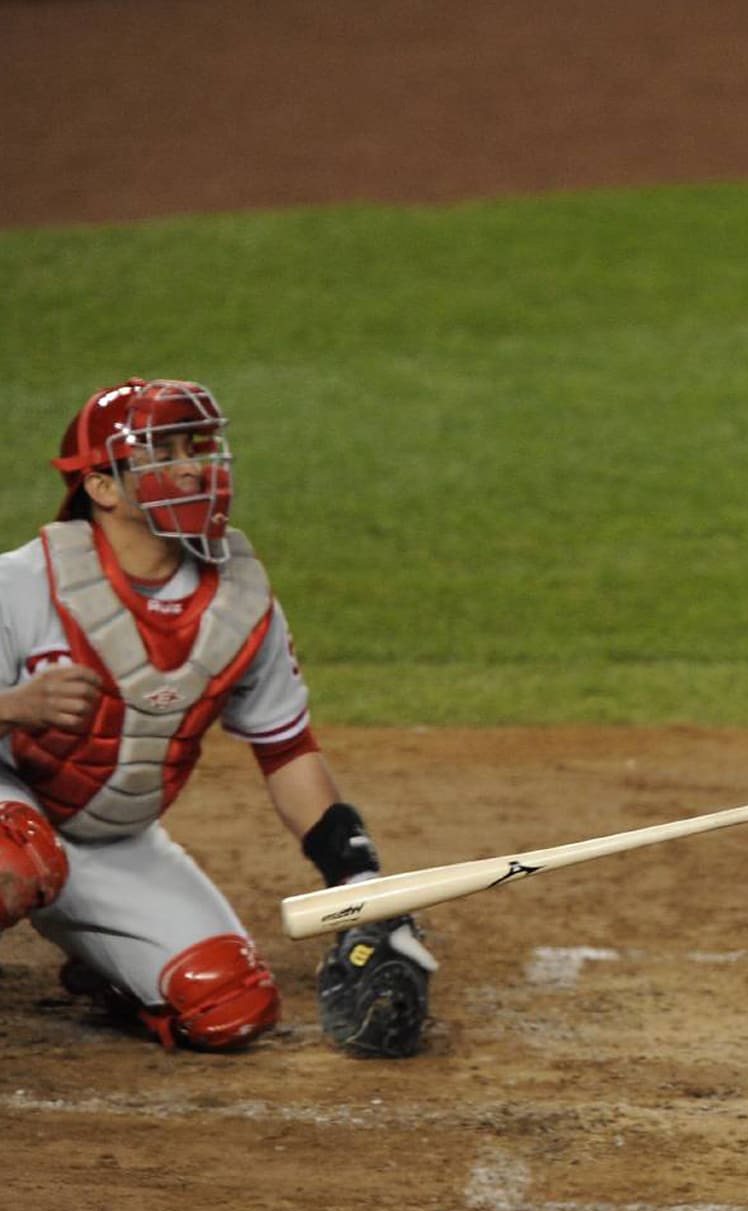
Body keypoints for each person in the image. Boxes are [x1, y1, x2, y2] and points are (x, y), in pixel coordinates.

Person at [0, 377, 436, 1057]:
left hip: (110, 841)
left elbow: (288, 753)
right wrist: (14, 706)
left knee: (231, 1005)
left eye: (195, 448)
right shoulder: (21, 585)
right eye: (160, 452)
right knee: (16, 854)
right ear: (102, 487)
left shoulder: (238, 604)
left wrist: (362, 884)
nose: (190, 467)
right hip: (10, 804)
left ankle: (113, 968)